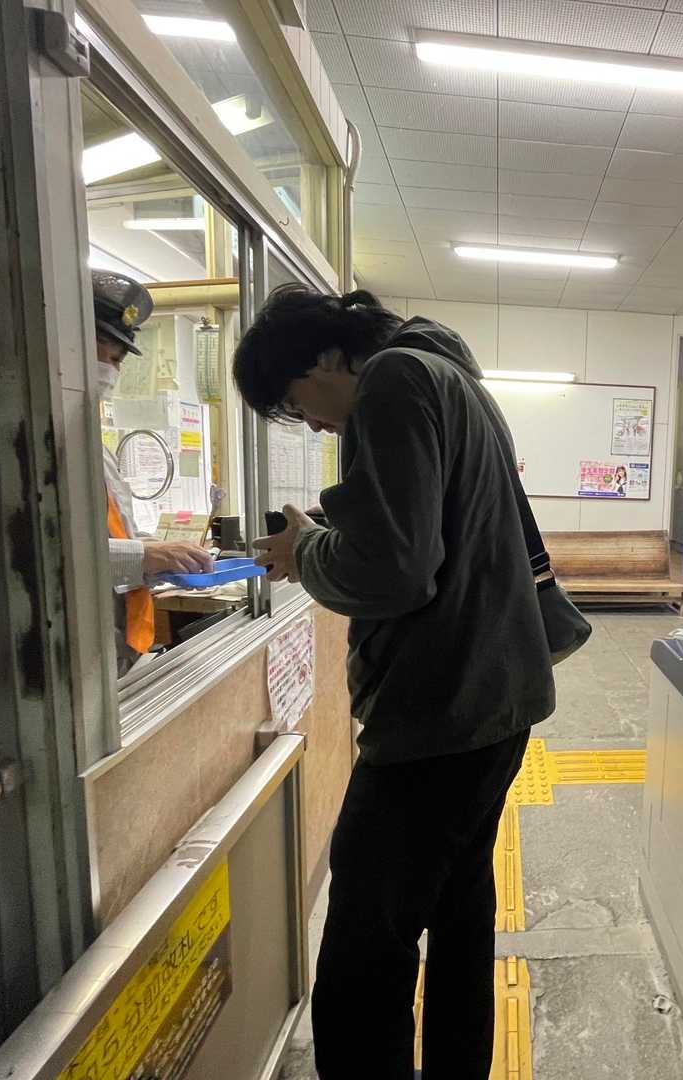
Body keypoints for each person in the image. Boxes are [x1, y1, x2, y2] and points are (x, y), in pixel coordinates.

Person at [233, 287, 555, 1080]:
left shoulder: (395, 380)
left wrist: (306, 552)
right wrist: (336, 537)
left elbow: (396, 572)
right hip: (493, 697)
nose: (311, 425)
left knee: (361, 953)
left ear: (324, 358)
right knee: (458, 913)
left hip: (438, 709)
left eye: (296, 403)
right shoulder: (452, 377)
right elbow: (432, 537)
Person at [90, 270, 214, 675]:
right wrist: (146, 554)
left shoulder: (91, 446)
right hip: (79, 656)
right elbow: (53, 557)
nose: (112, 372)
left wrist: (152, 552)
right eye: (106, 357)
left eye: (118, 361)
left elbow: (104, 535)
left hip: (118, 647)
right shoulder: (29, 449)